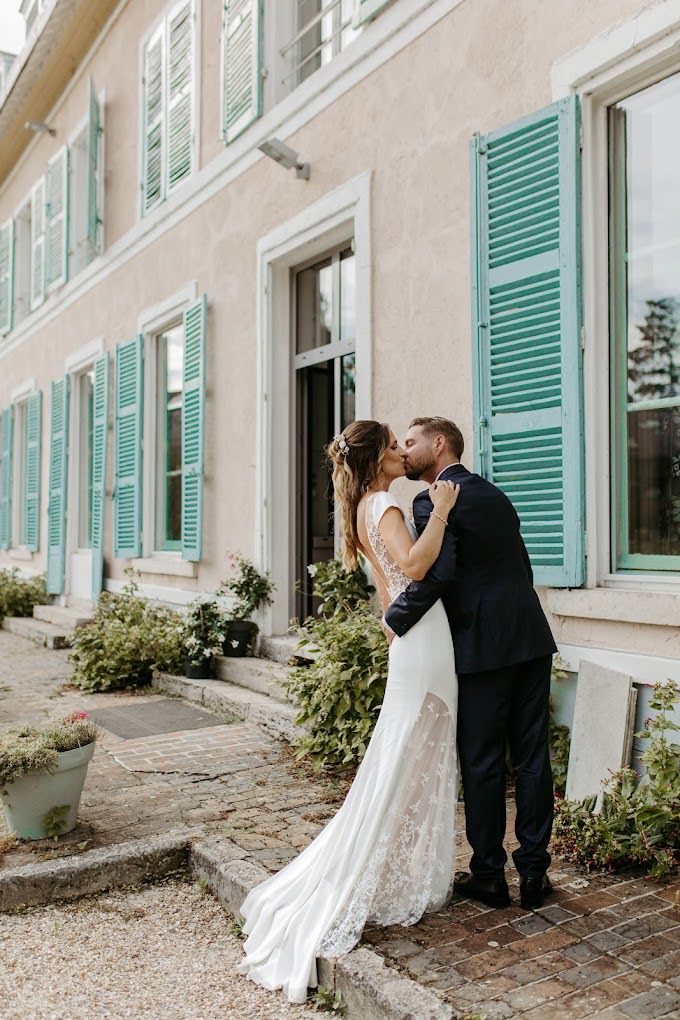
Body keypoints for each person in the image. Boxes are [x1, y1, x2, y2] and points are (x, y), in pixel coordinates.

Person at [238, 420, 460, 1004]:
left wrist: (394, 633)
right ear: (374, 461)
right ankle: (375, 871)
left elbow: (389, 597)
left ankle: (391, 867)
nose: (398, 453)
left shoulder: (362, 507)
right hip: (426, 642)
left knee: (407, 754)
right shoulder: (386, 502)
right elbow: (413, 569)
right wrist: (440, 508)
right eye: (391, 446)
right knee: (410, 756)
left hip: (410, 640)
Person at [385, 416, 558, 911]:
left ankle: (489, 876)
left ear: (440, 444)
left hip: (481, 648)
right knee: (531, 758)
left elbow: (437, 574)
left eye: (412, 442)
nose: (405, 450)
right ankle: (533, 872)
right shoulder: (494, 494)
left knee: (482, 763)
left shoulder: (433, 500)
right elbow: (520, 566)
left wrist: (397, 618)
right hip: (529, 637)